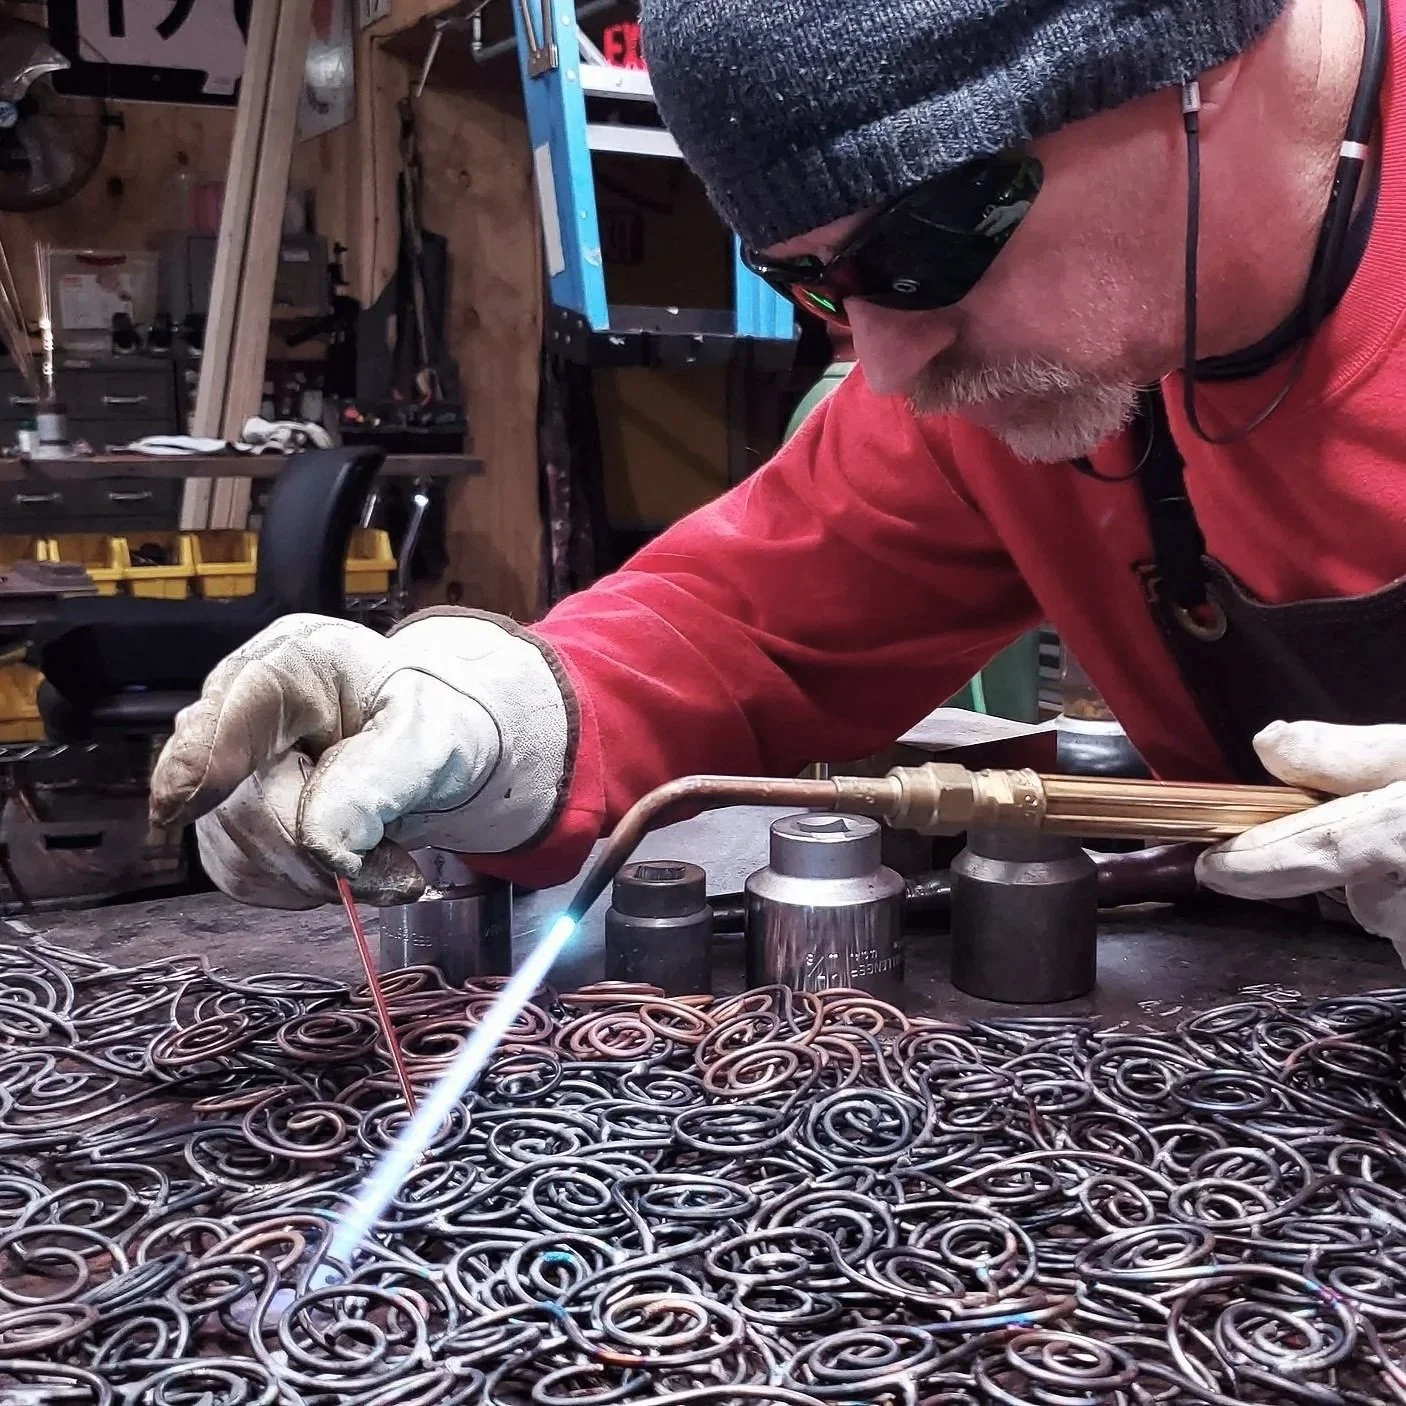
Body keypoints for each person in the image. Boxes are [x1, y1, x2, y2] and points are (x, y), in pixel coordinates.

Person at [151, 0, 1406, 961]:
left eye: (914, 249)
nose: (894, 362)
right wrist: (476, 717)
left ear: (1200, 51)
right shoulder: (983, 380)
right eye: (817, 287)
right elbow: (733, 627)